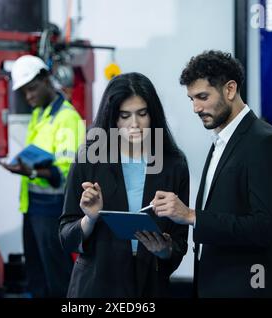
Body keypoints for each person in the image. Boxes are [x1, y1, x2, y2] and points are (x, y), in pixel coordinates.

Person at [151, 50, 272, 297]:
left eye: (202, 97)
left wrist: (192, 216)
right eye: (191, 99)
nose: (195, 108)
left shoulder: (264, 142)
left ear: (230, 89)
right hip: (213, 285)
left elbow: (266, 227)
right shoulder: (221, 141)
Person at [59, 72, 190, 298]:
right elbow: (66, 236)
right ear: (112, 118)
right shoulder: (89, 159)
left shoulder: (173, 164)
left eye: (142, 113)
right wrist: (90, 218)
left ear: (153, 115)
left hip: (149, 283)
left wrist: (165, 250)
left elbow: (179, 241)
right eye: (124, 116)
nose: (134, 124)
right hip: (97, 285)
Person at [4, 55, 85, 297]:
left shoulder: (67, 118)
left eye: (31, 89)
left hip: (53, 209)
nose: (28, 97)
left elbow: (66, 173)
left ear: (46, 79)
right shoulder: (40, 115)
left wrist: (30, 171)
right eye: (24, 93)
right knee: (36, 274)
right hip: (32, 206)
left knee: (57, 276)